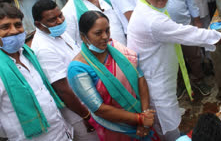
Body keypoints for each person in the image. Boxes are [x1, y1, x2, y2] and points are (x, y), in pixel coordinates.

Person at [127, 0, 221, 141]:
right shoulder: (152, 20)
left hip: (158, 79)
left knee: (168, 123)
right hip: (156, 87)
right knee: (168, 129)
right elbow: (193, 35)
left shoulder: (146, 7)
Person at [67, 10, 160, 141]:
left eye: (107, 30)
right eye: (98, 33)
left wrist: (144, 115)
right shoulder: (78, 70)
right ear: (83, 37)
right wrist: (139, 119)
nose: (105, 36)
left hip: (143, 117)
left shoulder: (116, 48)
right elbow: (99, 109)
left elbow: (140, 77)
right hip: (117, 129)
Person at [136, 0, 211, 98]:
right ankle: (179, 85)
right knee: (170, 60)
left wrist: (196, 18)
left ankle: (199, 80)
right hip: (161, 28)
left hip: (183, 21)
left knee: (194, 54)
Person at [0, 3, 72, 140]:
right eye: (5, 27)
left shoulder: (27, 55)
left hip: (61, 132)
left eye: (18, 25)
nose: (14, 31)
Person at [31, 0, 99, 141]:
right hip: (79, 111)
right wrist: (85, 115)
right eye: (52, 20)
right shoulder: (44, 48)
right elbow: (62, 89)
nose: (60, 21)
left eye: (60, 15)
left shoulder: (59, 33)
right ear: (38, 24)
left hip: (90, 100)